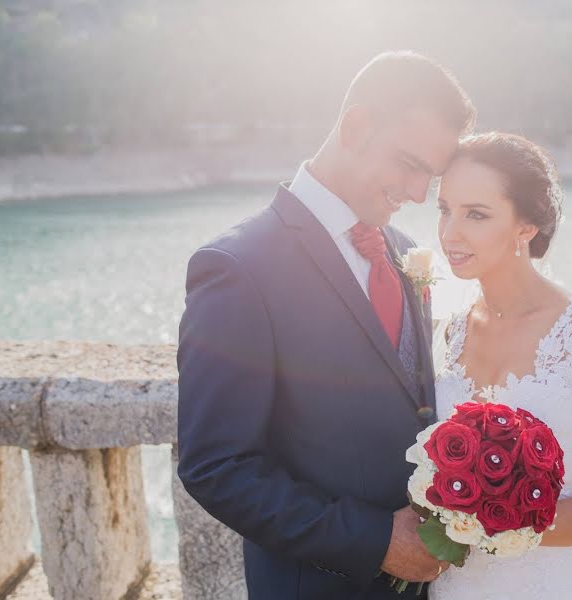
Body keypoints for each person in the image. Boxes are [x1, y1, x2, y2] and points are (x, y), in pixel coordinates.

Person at [176, 51, 475, 599]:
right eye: (409, 164)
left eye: (428, 177)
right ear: (356, 125)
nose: (415, 193)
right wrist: (376, 540)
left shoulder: (404, 251)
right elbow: (216, 465)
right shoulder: (238, 267)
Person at [429, 132, 572, 600]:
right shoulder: (453, 332)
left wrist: (498, 518)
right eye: (445, 208)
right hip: (461, 586)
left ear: (526, 226)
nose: (450, 232)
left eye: (476, 214)